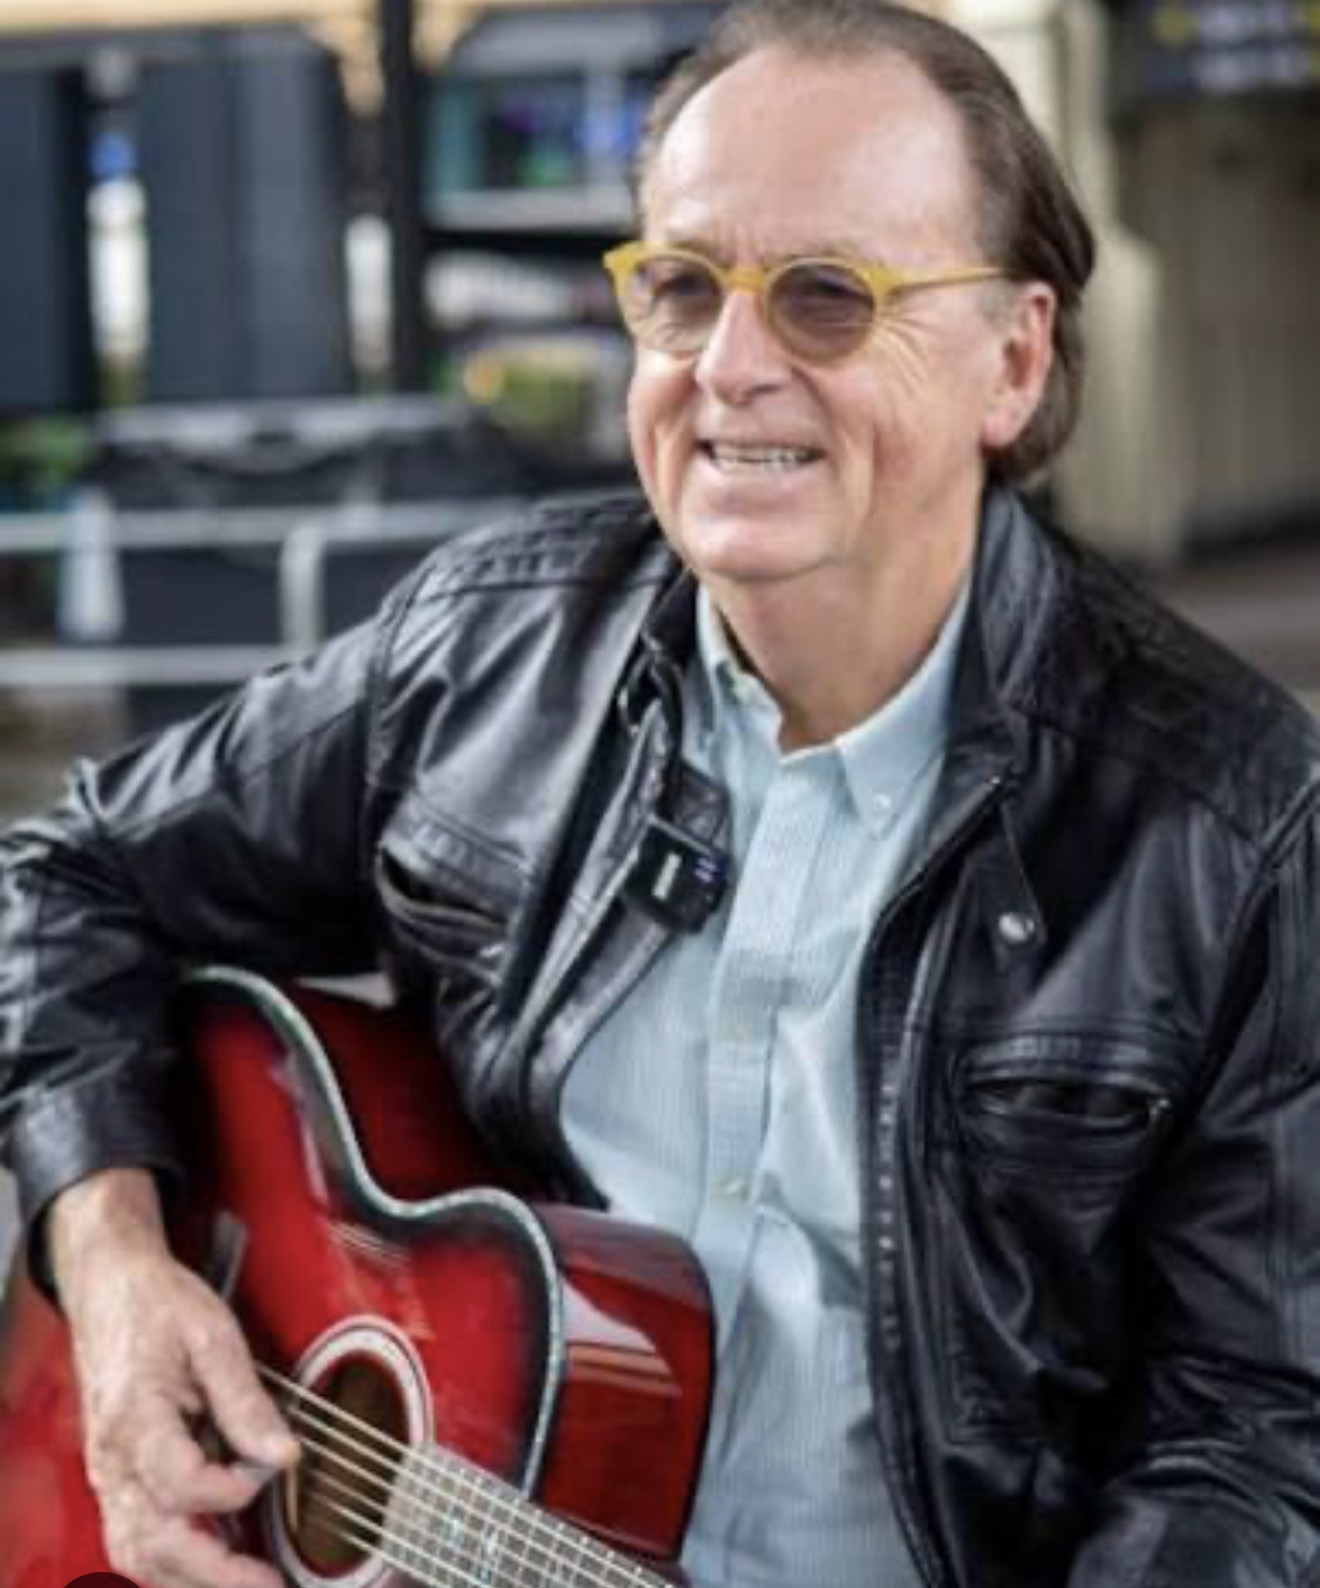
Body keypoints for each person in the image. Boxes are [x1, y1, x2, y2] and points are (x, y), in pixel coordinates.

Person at [3, 1, 1320, 1584]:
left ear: (1014, 361)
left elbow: (1262, 1439)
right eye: (683, 287)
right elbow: (65, 876)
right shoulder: (483, 653)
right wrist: (115, 1265)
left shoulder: (1238, 821)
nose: (731, 368)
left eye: (828, 297)